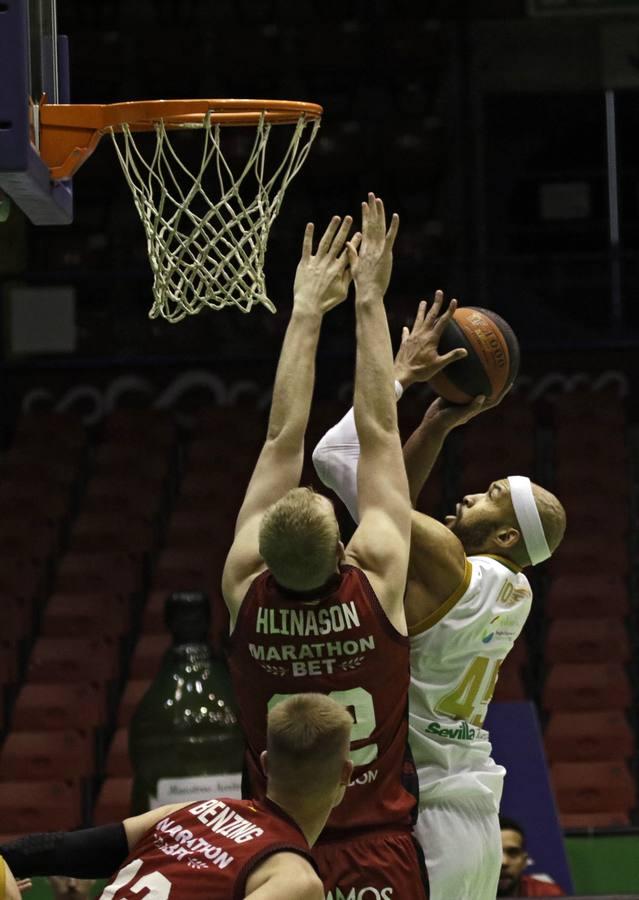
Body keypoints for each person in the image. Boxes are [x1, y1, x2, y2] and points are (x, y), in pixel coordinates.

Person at [312, 291, 567, 900]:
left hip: (418, 814)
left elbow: (336, 459)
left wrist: (399, 376)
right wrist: (434, 424)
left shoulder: (450, 567)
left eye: (489, 495)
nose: (469, 496)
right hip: (476, 820)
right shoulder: (514, 589)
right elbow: (388, 513)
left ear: (506, 533)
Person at [222, 196, 438, 898]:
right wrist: (368, 298)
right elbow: (378, 429)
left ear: (262, 551)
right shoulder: (375, 576)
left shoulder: (244, 588)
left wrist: (305, 309)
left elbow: (280, 436)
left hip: (273, 852)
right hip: (378, 850)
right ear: (343, 550)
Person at [0, 693, 353, 899]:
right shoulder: (295, 880)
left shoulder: (199, 808)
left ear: (264, 763)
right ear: (347, 775)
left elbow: (63, 849)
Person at [498, 817, 566, 896]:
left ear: (524, 861)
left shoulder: (548, 895)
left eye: (513, 853)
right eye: (494, 855)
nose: (504, 862)